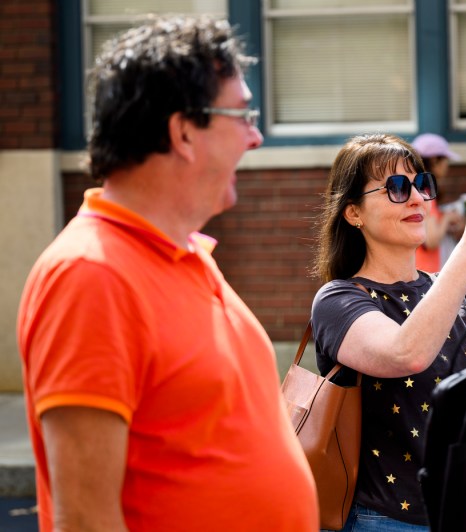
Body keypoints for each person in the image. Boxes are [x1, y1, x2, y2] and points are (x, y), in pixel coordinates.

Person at [17, 16, 318, 531]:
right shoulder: (91, 276)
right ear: (183, 131)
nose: (256, 136)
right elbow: (85, 520)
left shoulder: (186, 255)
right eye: (242, 114)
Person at [311, 133, 466, 530]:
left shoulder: (464, 290)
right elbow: (404, 353)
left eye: (421, 184)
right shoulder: (338, 299)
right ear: (353, 212)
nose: (416, 198)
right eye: (395, 187)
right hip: (387, 520)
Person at [411, 133, 466, 272]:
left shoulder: (414, 191)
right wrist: (447, 218)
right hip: (426, 272)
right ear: (435, 160)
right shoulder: (426, 193)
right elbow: (431, 240)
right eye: (445, 160)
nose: (447, 166)